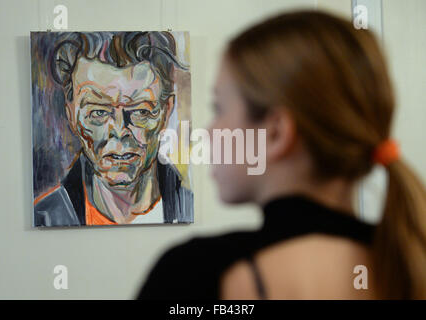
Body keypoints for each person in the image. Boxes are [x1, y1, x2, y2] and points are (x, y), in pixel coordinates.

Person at [137, 10, 426, 299]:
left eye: (219, 108)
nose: (209, 131)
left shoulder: (192, 275)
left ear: (276, 132)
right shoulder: (411, 264)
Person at [34, 32, 193, 227]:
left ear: (166, 111)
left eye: (141, 111)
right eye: (98, 112)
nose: (119, 130)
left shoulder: (189, 205)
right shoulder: (45, 217)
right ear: (71, 114)